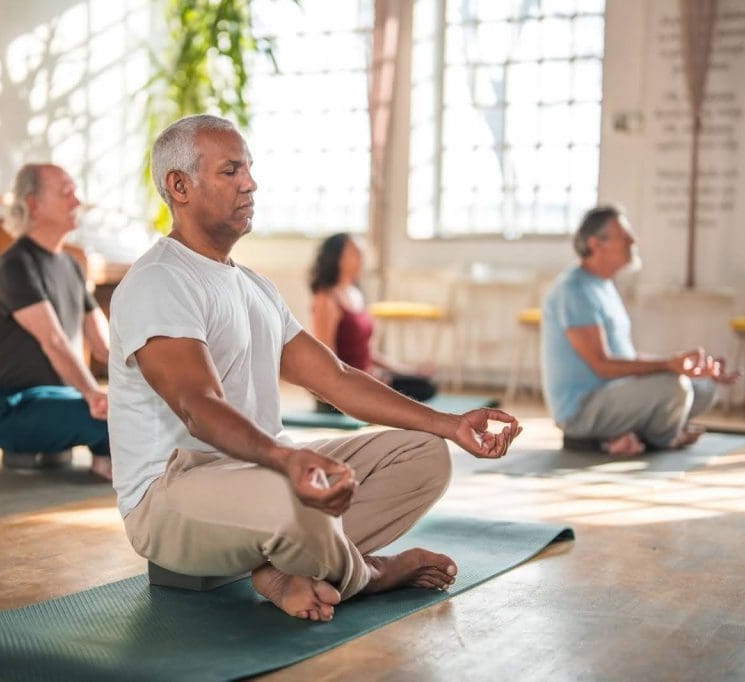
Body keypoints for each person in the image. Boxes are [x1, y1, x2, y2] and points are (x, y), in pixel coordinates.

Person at [108, 114, 522, 622]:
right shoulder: (159, 281)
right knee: (298, 501)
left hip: (258, 475)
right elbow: (199, 407)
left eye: (250, 169)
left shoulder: (255, 287)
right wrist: (285, 459)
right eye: (231, 170)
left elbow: (338, 379)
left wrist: (449, 424)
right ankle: (365, 575)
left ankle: (284, 566)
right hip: (169, 496)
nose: (250, 182)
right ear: (180, 186)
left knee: (425, 455)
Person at [541, 205, 740, 456]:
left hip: (616, 393)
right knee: (674, 387)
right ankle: (661, 438)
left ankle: (629, 435)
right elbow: (603, 365)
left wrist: (685, 366)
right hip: (582, 409)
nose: (633, 240)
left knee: (703, 385)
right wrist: (668, 366)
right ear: (596, 244)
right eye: (624, 236)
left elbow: (626, 357)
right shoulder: (574, 290)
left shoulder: (603, 286)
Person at [0, 163, 112, 479]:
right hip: (13, 408)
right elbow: (54, 341)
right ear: (33, 204)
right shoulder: (15, 266)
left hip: (62, 398)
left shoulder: (72, 266)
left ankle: (102, 450)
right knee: (118, 418)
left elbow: (105, 346)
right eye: (66, 193)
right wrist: (94, 394)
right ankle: (106, 459)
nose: (76, 202)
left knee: (137, 411)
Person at [309, 233, 437, 412]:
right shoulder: (326, 299)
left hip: (367, 380)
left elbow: (368, 353)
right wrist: (367, 379)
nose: (362, 258)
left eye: (362, 253)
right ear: (336, 257)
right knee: (414, 394)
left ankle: (377, 395)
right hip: (342, 389)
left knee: (424, 386)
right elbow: (327, 357)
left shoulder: (356, 294)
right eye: (355, 253)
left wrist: (408, 370)